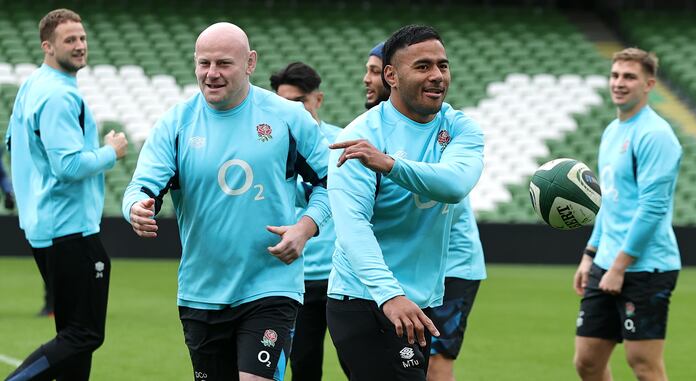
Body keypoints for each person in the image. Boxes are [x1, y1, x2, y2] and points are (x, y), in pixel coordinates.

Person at [122, 22, 331, 381]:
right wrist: (136, 208)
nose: (211, 73)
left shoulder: (288, 117)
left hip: (271, 286)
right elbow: (142, 187)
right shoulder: (175, 124)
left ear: (250, 63)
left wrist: (306, 227)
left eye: (223, 63)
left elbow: (332, 182)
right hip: (201, 292)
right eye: (204, 63)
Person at [325, 25, 484, 381]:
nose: (437, 75)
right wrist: (390, 295)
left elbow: (455, 185)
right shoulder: (358, 138)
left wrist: (390, 165)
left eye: (442, 65)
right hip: (364, 298)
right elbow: (353, 230)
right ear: (392, 76)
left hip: (419, 302)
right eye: (423, 66)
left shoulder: (461, 128)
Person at [4, 8, 128, 381]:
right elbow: (68, 167)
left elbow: (12, 142)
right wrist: (111, 152)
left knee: (73, 335)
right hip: (69, 227)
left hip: (45, 225)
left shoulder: (32, 85)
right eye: (69, 40)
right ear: (47, 46)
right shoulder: (58, 96)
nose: (79, 45)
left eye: (82, 38)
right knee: (83, 334)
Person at [572, 48, 682, 381]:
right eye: (615, 75)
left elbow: (653, 207)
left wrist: (620, 266)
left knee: (644, 365)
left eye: (629, 77)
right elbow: (609, 201)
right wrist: (590, 255)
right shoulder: (612, 131)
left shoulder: (655, 135)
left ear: (649, 84)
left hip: (646, 267)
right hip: (606, 262)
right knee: (587, 361)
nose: (619, 83)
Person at [268, 62, 345, 381]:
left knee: (361, 365)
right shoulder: (268, 147)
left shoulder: (342, 142)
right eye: (284, 103)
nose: (292, 110)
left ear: (318, 99)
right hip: (297, 276)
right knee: (303, 366)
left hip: (343, 276)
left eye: (299, 102)